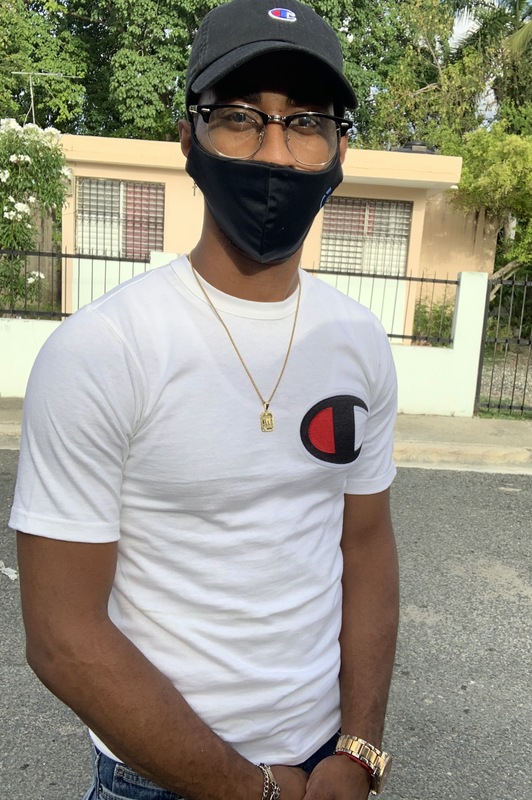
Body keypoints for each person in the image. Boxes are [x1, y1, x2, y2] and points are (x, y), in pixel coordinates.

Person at [9, 1, 399, 798]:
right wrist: (252, 791)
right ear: (188, 136)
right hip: (159, 778)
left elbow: (365, 548)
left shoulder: (358, 341)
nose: (275, 152)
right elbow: (63, 636)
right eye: (241, 118)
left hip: (327, 766)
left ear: (340, 151)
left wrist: (360, 750)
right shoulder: (102, 351)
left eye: (306, 123)